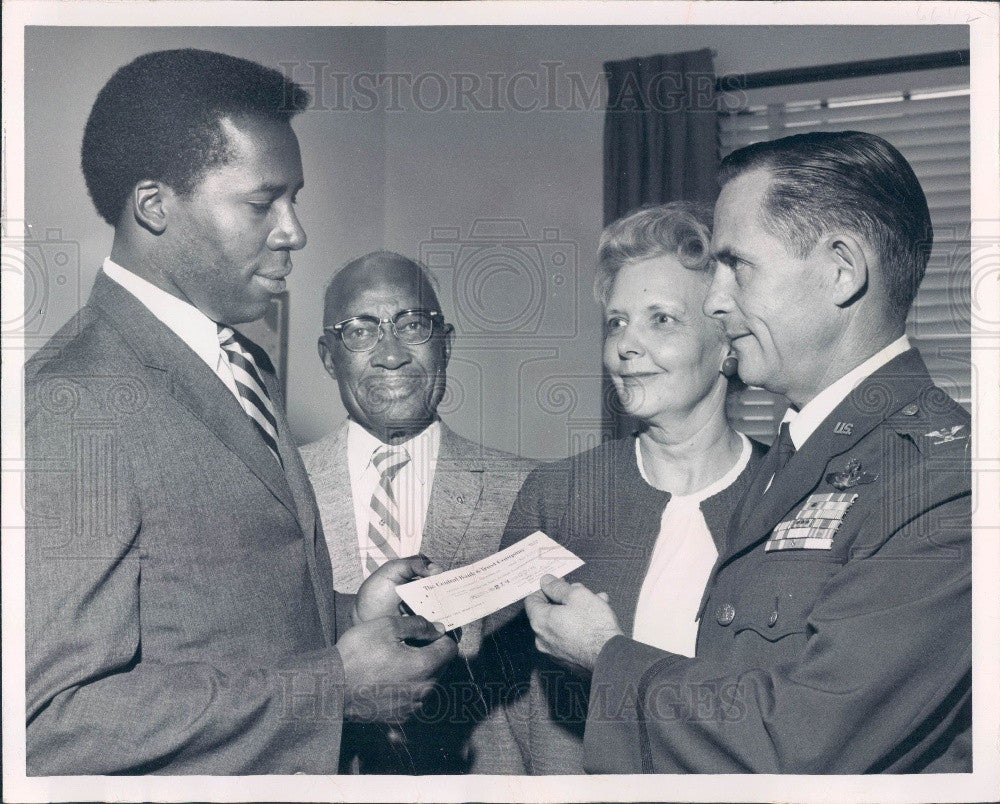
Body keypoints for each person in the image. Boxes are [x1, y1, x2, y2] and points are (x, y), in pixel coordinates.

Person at [25, 48, 456, 775]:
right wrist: (333, 689)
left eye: (295, 199)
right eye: (263, 203)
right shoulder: (73, 403)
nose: (294, 230)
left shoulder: (241, 362)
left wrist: (353, 612)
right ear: (155, 207)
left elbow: (218, 613)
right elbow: (51, 725)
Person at [523, 131, 971, 773]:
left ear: (841, 271)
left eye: (739, 265)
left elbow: (800, 740)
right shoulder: (806, 451)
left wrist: (608, 656)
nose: (714, 298)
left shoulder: (940, 479)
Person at [486, 202, 766, 774]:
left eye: (660, 319)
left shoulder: (785, 496)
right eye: (617, 321)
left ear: (727, 346)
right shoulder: (558, 493)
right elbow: (487, 673)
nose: (625, 346)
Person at [300, 250, 535, 773]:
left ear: (446, 345)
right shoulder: (276, 488)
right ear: (327, 355)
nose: (391, 354)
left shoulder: (530, 491)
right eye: (360, 330)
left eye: (412, 325)